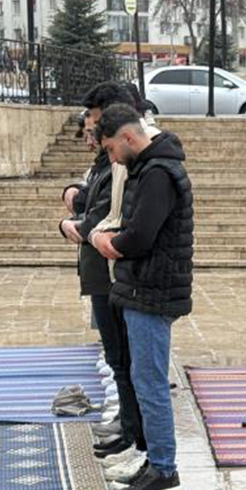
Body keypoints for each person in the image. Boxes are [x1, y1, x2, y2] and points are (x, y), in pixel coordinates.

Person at [93, 103, 194, 490]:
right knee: (142, 377)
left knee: (150, 382)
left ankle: (165, 470)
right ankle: (154, 461)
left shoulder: (157, 173)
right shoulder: (148, 168)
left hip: (153, 290)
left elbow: (139, 238)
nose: (111, 158)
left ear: (128, 138)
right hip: (143, 288)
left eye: (111, 150)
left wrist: (105, 242)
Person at [59, 82, 147, 465]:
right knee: (117, 358)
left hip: (116, 272)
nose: (90, 130)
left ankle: (139, 440)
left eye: (95, 122)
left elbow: (110, 214)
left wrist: (76, 226)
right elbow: (91, 196)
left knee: (129, 363)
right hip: (101, 269)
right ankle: (129, 430)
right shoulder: (106, 160)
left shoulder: (134, 163)